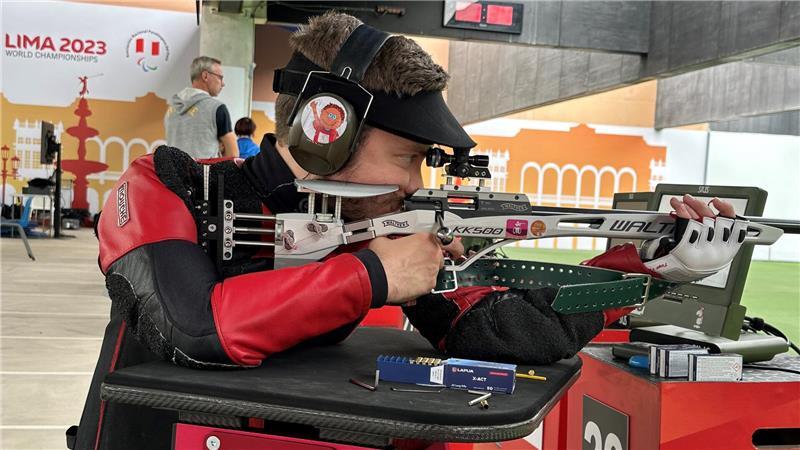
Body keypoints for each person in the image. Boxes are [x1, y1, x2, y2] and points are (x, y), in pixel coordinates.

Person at [71, 13, 748, 450]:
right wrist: (376, 275)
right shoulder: (167, 186)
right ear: (325, 130)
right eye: (407, 156)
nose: (415, 180)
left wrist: (642, 268)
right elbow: (195, 330)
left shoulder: (371, 223)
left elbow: (503, 337)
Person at [164, 56, 239, 159]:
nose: (223, 83)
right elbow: (233, 154)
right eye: (220, 77)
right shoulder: (216, 108)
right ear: (205, 76)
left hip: (173, 174)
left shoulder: (171, 108)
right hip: (203, 174)